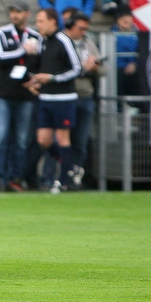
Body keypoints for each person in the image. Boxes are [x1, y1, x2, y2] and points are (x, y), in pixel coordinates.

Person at [0, 0, 42, 192]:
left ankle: (15, 178)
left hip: (24, 94)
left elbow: (37, 61)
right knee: (0, 136)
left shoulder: (35, 35)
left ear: (27, 14)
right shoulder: (1, 33)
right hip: (1, 93)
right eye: (12, 11)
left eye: (18, 11)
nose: (14, 15)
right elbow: (1, 57)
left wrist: (33, 79)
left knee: (21, 139)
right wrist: (22, 50)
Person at [26, 7, 83, 193]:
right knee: (43, 140)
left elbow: (76, 68)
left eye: (41, 21)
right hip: (45, 98)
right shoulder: (42, 42)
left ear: (53, 21)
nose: (37, 25)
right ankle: (71, 167)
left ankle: (63, 180)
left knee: (62, 137)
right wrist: (34, 80)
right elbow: (39, 68)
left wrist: (52, 78)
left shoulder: (64, 40)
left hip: (64, 98)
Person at [62, 10, 104, 187]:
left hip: (85, 96)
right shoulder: (62, 43)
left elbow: (104, 70)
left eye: (86, 28)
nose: (83, 32)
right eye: (81, 28)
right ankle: (58, 175)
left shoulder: (89, 44)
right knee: (62, 139)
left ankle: (76, 175)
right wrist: (82, 68)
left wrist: (95, 68)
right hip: (66, 97)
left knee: (81, 140)